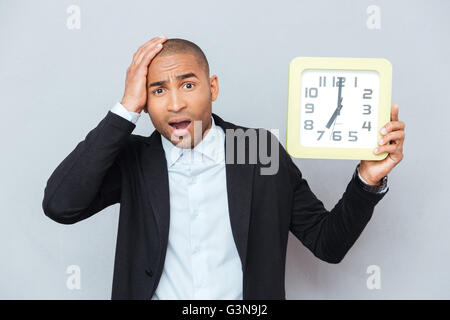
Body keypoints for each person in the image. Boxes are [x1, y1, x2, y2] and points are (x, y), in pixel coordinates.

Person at [42, 35, 405, 300]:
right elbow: (61, 205)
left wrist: (367, 181)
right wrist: (124, 109)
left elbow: (329, 244)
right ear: (144, 101)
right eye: (157, 91)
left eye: (188, 84)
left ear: (212, 87)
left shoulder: (257, 149)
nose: (175, 103)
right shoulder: (135, 158)